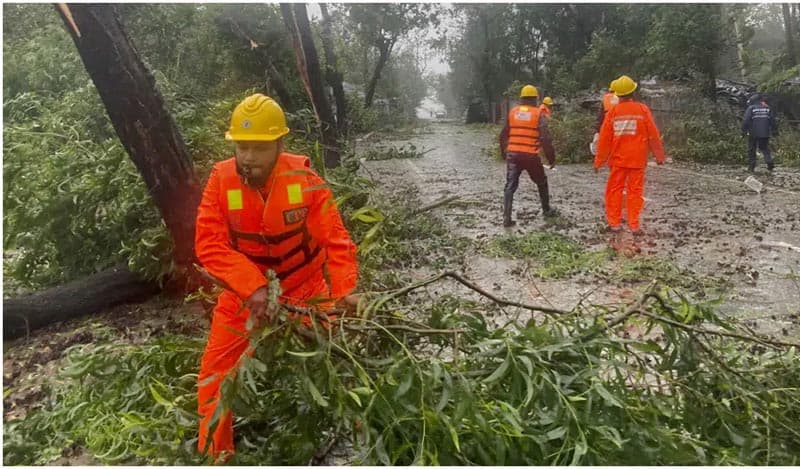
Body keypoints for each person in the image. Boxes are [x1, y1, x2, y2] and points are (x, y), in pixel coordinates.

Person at [194, 93, 359, 461]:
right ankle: (216, 456)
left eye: (259, 148)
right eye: (242, 146)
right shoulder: (221, 182)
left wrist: (346, 290)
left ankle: (353, 434)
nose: (248, 157)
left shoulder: (305, 180)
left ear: (279, 145)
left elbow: (336, 240)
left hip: (305, 288)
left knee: (336, 361)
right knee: (214, 377)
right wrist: (251, 286)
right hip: (243, 294)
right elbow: (208, 244)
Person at [594, 75, 666, 236]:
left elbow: (604, 139)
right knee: (635, 192)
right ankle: (634, 225)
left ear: (617, 94)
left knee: (614, 191)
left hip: (618, 160)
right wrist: (659, 156)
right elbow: (653, 134)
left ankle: (615, 224)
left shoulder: (612, 112)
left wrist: (599, 161)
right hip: (637, 160)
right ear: (633, 91)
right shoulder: (642, 110)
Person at [499, 84, 558, 227]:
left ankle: (506, 217)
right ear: (535, 99)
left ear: (521, 99)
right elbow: (546, 139)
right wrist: (551, 159)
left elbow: (503, 135)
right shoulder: (538, 115)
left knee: (510, 185)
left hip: (513, 155)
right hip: (530, 156)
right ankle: (546, 210)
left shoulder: (513, 112)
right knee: (541, 182)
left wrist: (503, 152)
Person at [741, 93, 778, 172]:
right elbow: (773, 121)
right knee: (764, 148)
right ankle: (769, 162)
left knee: (751, 149)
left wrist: (743, 131)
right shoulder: (767, 108)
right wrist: (775, 131)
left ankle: (751, 167)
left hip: (753, 133)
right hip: (765, 133)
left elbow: (746, 121)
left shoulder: (751, 108)